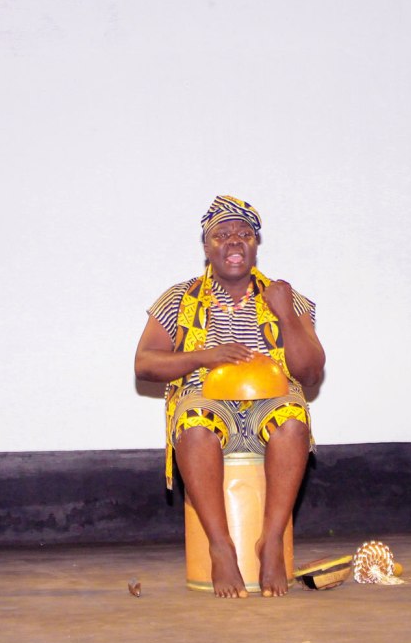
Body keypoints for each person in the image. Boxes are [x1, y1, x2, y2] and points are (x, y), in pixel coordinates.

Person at [135, 196, 325, 598]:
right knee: (195, 423)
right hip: (206, 399)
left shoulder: (284, 295)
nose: (234, 241)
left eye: (244, 234)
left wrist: (286, 314)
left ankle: (270, 541)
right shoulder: (179, 298)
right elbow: (144, 364)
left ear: (256, 245)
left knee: (292, 418)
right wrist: (206, 356)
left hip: (271, 400)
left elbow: (310, 372)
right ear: (206, 247)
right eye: (221, 235)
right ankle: (221, 547)